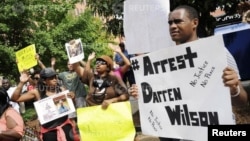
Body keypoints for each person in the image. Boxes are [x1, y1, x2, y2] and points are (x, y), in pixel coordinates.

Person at [131, 5, 248, 141]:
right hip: (175, 134)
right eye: (170, 23)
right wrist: (142, 93)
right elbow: (160, 96)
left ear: (195, 23)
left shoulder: (215, 51)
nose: (172, 26)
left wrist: (234, 89)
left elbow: (242, 101)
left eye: (178, 21)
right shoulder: (161, 61)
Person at [11, 68, 80, 141]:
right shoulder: (37, 92)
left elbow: (72, 107)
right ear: (44, 81)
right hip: (49, 133)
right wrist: (21, 83)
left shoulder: (61, 89)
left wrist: (73, 98)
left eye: (55, 77)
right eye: (51, 78)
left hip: (65, 126)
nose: (55, 80)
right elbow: (15, 99)